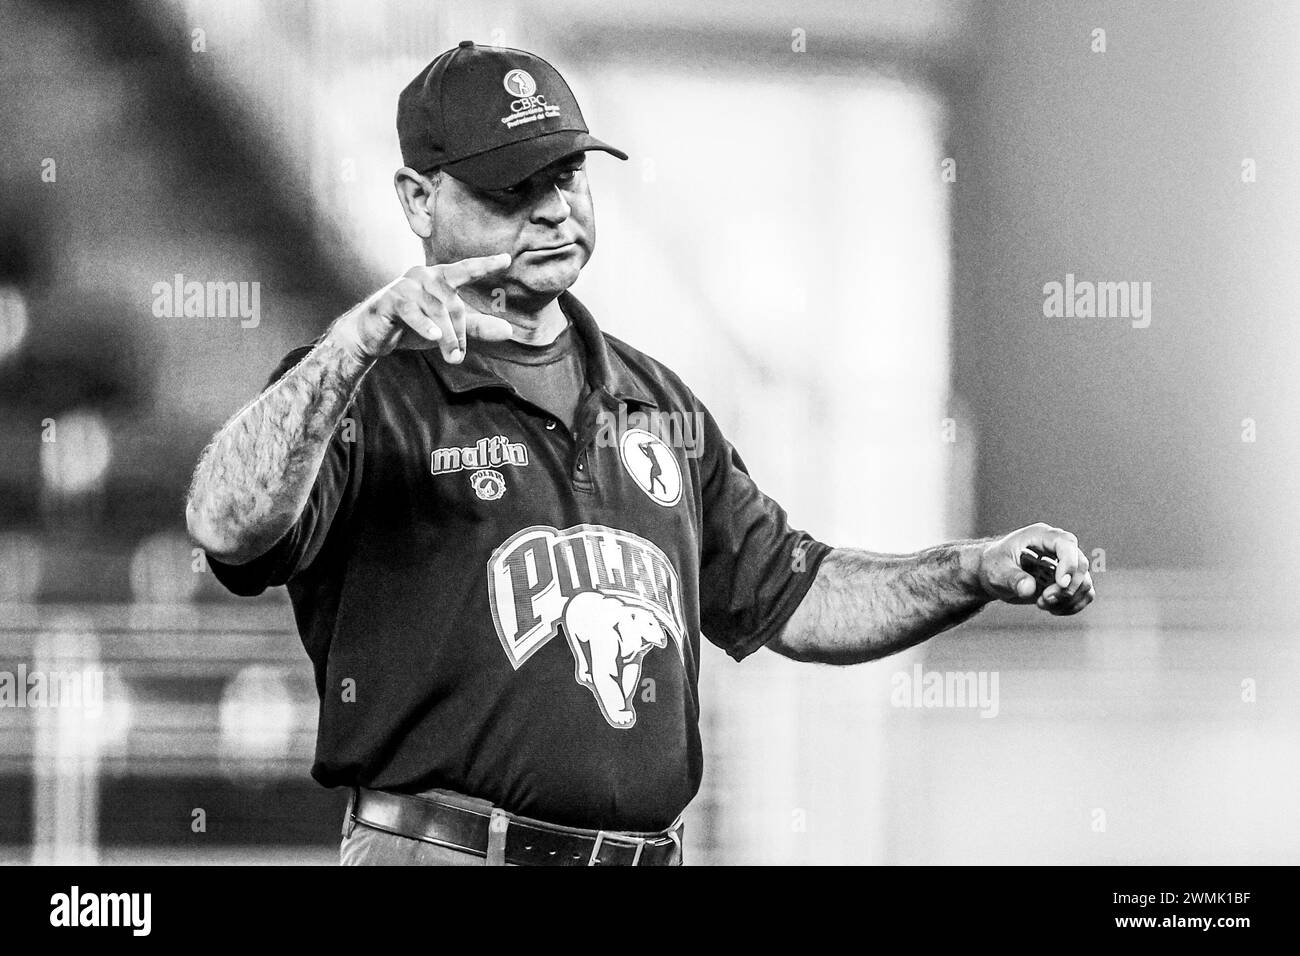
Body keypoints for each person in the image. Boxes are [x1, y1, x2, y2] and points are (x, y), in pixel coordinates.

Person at [184, 41, 1095, 867]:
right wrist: (350, 347)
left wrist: (971, 568)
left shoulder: (655, 401)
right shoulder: (369, 391)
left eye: (568, 175)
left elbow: (799, 596)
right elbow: (227, 526)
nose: (551, 210)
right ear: (420, 201)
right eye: (511, 187)